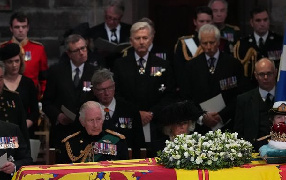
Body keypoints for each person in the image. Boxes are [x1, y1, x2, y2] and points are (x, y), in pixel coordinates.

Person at [112, 21, 175, 151]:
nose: (141, 42)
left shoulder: (163, 64)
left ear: (151, 39)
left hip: (156, 123)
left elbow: (169, 95)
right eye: (137, 38)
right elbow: (116, 94)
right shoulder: (120, 65)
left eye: (145, 38)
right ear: (131, 41)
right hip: (128, 124)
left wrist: (151, 113)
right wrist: (136, 113)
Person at [180, 24, 247, 133]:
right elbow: (186, 97)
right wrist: (202, 116)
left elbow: (240, 95)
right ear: (200, 43)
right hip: (200, 126)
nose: (209, 47)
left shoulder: (233, 64)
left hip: (228, 123)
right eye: (205, 43)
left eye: (212, 42)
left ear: (219, 41)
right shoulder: (191, 67)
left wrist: (221, 115)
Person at [43, 34, 99, 148]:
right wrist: (58, 116)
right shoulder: (56, 71)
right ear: (69, 54)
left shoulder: (95, 72)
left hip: (86, 132)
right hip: (62, 132)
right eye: (77, 50)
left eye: (83, 48)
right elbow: (47, 102)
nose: (82, 52)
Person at [0, 43, 40, 136]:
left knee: (21, 150)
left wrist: (25, 125)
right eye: (10, 62)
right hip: (1, 131)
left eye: (17, 61)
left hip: (24, 131)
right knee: (7, 150)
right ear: (3, 63)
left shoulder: (28, 83)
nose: (14, 65)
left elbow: (35, 111)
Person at [91, 68, 145, 158]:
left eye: (110, 88)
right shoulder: (89, 110)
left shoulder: (130, 110)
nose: (107, 93)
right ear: (95, 91)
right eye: (102, 90)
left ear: (114, 86)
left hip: (126, 161)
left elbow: (138, 142)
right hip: (98, 162)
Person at [58, 101, 129, 163]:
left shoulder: (118, 142)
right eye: (91, 120)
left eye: (98, 119)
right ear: (82, 122)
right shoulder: (70, 144)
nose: (95, 125)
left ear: (103, 120)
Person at [0, 12, 48, 96]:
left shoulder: (38, 49)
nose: (20, 30)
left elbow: (44, 78)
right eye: (17, 27)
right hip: (8, 95)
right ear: (11, 28)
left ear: (28, 28)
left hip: (31, 95)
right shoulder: (2, 48)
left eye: (24, 27)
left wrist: (41, 95)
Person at [234, 58, 277, 149]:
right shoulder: (244, 100)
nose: (265, 77)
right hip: (253, 152)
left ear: (275, 73)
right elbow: (238, 132)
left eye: (269, 73)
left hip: (282, 151)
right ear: (255, 75)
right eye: (261, 74)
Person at [234, 7, 283, 79]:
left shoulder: (279, 41)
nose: (262, 24)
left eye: (265, 20)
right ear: (251, 22)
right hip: (251, 86)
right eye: (258, 20)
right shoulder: (243, 44)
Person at [173, 6, 213, 85]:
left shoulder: (220, 42)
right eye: (201, 21)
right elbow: (179, 71)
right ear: (195, 22)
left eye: (208, 21)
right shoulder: (184, 43)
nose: (205, 25)